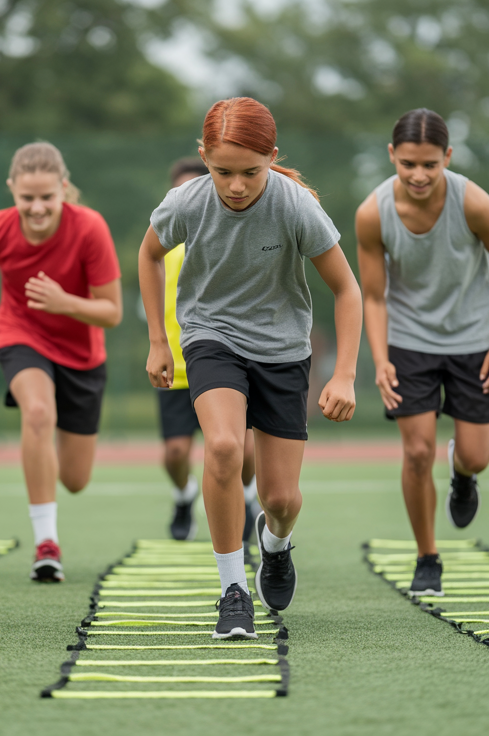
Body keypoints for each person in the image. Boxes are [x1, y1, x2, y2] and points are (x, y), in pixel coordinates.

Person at [138, 97, 362, 640]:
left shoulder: (295, 206)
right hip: (211, 336)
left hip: (284, 350)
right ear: (203, 157)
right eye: (222, 172)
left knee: (281, 499)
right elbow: (148, 255)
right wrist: (158, 342)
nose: (235, 186)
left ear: (273, 158)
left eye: (250, 173)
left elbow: (348, 290)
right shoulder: (186, 201)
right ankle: (232, 591)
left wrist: (345, 373)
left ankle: (276, 545)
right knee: (221, 448)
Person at [355, 109, 489, 596]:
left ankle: (463, 474)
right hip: (410, 341)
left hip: (474, 340)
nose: (419, 175)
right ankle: (427, 556)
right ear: (392, 156)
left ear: (447, 157)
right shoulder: (373, 213)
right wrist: (381, 357)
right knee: (416, 452)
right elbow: (372, 295)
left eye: (430, 163)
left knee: (477, 455)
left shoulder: (474, 204)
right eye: (408, 163)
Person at [0, 142, 122, 583]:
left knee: (75, 479)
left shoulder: (89, 228)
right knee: (36, 413)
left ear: (63, 190)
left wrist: (63, 302)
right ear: (12, 189)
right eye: (26, 198)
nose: (36, 208)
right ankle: (46, 544)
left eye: (46, 197)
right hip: (21, 336)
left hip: (83, 356)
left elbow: (112, 312)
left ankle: (50, 466)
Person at [157, 157, 260, 544]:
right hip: (178, 369)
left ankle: (246, 497)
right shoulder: (161, 246)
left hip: (225, 364)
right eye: (177, 191)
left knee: (242, 451)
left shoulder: (228, 240)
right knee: (174, 453)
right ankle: (184, 497)